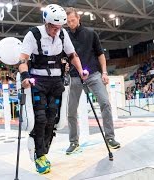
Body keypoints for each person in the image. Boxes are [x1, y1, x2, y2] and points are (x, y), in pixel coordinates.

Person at [18, 4, 88, 174]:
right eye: (54, 28)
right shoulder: (33, 34)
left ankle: (43, 153)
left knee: (52, 120)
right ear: (46, 22)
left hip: (56, 81)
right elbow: (22, 60)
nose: (57, 31)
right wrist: (25, 77)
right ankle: (39, 155)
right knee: (40, 119)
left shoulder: (63, 34)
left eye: (59, 28)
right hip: (38, 81)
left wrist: (81, 70)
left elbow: (72, 55)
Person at [65, 7, 120, 155]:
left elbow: (100, 54)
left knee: (105, 103)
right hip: (75, 77)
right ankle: (73, 142)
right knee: (71, 111)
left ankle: (110, 137)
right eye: (68, 21)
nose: (70, 23)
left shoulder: (90, 33)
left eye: (73, 20)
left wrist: (104, 72)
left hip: (94, 74)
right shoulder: (64, 37)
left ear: (78, 19)